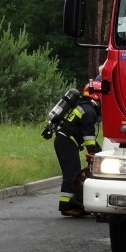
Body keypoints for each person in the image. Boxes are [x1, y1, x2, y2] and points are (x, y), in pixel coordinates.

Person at [54, 83, 101, 217]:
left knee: (73, 172)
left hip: (65, 140)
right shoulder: (90, 111)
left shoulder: (83, 107)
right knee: (71, 174)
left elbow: (85, 134)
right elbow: (89, 137)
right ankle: (67, 206)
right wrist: (94, 152)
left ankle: (71, 204)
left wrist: (96, 150)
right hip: (66, 141)